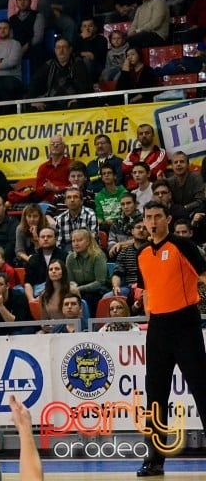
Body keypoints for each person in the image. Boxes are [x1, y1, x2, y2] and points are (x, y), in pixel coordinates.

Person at [136, 200, 206, 476]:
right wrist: (150, 316)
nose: (152, 222)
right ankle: (154, 460)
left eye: (157, 216)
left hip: (185, 324)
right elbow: (147, 290)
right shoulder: (141, 254)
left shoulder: (182, 246)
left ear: (167, 218)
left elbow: (203, 277)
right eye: (148, 217)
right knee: (155, 397)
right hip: (158, 330)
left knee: (202, 390)